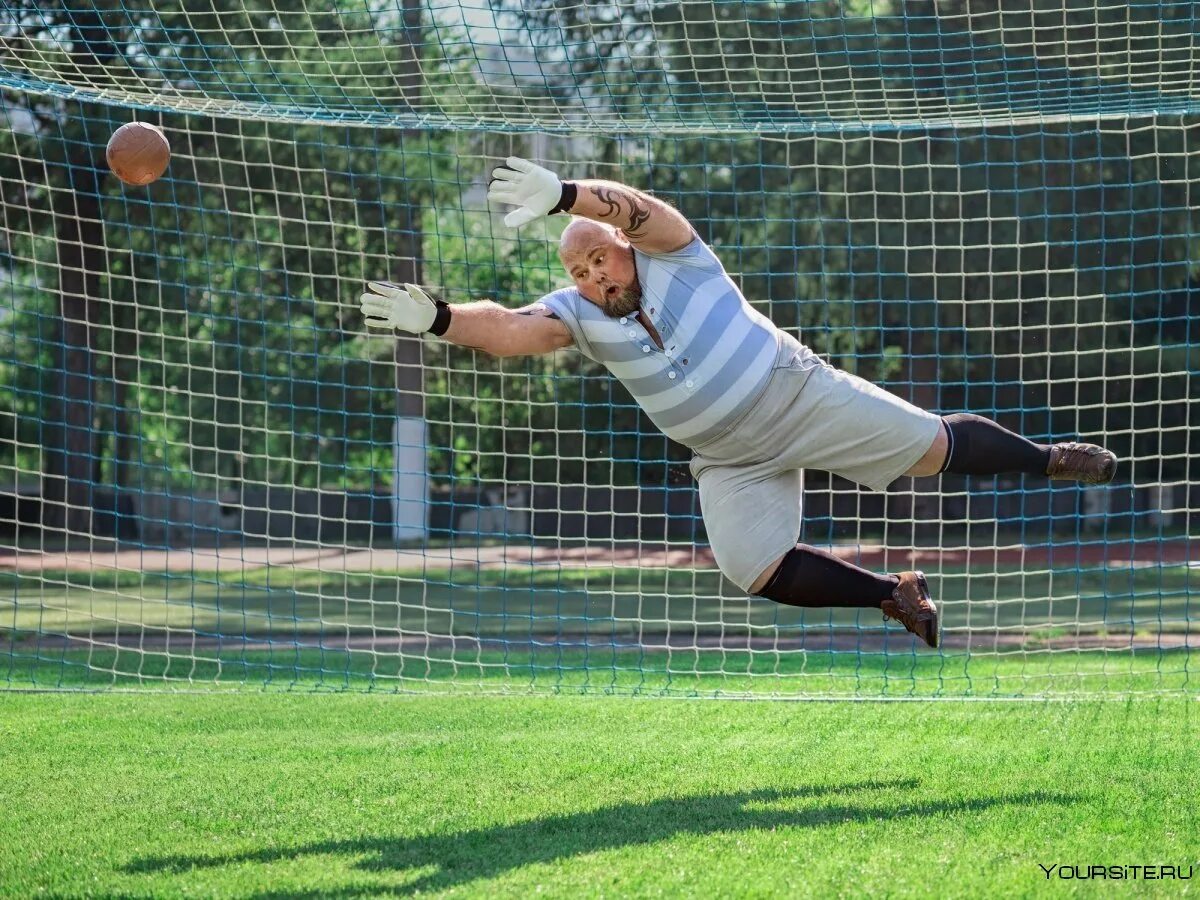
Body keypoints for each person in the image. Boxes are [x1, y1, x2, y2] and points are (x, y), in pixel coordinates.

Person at [359, 157, 1117, 649]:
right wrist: (440, 318)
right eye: (582, 270)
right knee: (752, 567)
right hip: (727, 458)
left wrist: (564, 195)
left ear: (624, 248)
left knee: (928, 448)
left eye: (601, 259)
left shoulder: (677, 254)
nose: (596, 278)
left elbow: (638, 209)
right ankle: (895, 595)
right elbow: (510, 330)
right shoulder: (577, 313)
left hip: (794, 394)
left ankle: (1050, 458)